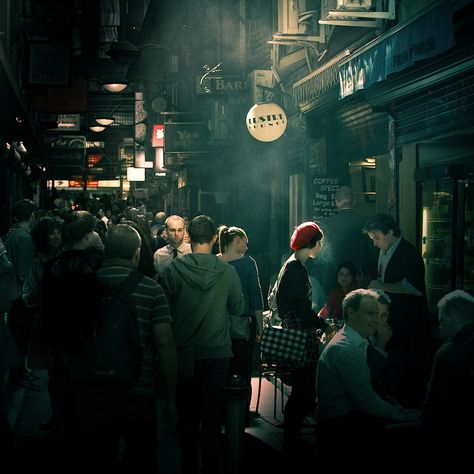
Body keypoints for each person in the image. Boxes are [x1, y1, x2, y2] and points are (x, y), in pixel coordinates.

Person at [76, 224, 177, 474]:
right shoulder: (151, 289)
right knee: (142, 460)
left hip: (94, 391)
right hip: (139, 391)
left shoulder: (84, 286)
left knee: (97, 460)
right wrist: (171, 400)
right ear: (136, 253)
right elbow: (165, 347)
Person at [160, 215, 244, 474]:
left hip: (184, 353)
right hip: (217, 352)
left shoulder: (172, 270)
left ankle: (188, 462)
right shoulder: (228, 272)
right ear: (215, 238)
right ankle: (210, 464)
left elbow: (164, 309)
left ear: (188, 237)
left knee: (188, 413)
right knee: (211, 415)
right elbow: (238, 307)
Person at [316, 289, 421, 465]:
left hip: (343, 424)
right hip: (339, 431)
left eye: (379, 315)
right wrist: (402, 415)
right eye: (370, 313)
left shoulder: (354, 342)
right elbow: (366, 400)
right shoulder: (346, 348)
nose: (376, 320)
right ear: (351, 313)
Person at [365, 213, 432, 407]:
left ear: (391, 232)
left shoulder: (408, 253)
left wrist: (381, 285)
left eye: (377, 237)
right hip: (388, 323)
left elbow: (412, 287)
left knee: (404, 374)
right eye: (372, 239)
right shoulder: (383, 250)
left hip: (407, 326)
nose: (375, 243)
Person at [275, 222, 328, 456]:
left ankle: (292, 439)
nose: (322, 246)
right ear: (312, 243)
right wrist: (323, 324)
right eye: (320, 242)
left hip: (296, 333)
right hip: (300, 336)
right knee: (302, 390)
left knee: (301, 389)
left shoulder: (292, 265)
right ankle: (291, 441)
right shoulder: (296, 269)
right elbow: (302, 310)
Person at [218, 225, 264, 422]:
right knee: (243, 368)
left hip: (218, 324)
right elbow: (256, 294)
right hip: (243, 324)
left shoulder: (216, 262)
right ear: (237, 240)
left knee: (222, 367)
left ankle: (222, 410)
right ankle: (242, 412)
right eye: (245, 240)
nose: (247, 244)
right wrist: (260, 326)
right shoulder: (248, 263)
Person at [422, 290, 474, 456]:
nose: (440, 327)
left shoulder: (448, 353)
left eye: (441, 321)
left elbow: (432, 411)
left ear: (451, 320)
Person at [4, 198, 39, 390]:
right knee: (21, 336)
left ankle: (19, 372)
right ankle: (19, 374)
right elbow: (24, 271)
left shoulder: (11, 233)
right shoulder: (25, 238)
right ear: (33, 215)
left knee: (16, 335)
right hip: (20, 295)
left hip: (11, 292)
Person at [317, 186, 376, 295]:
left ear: (336, 202)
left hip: (332, 279)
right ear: (353, 201)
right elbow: (372, 254)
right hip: (357, 279)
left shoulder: (326, 224)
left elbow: (320, 255)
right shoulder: (365, 222)